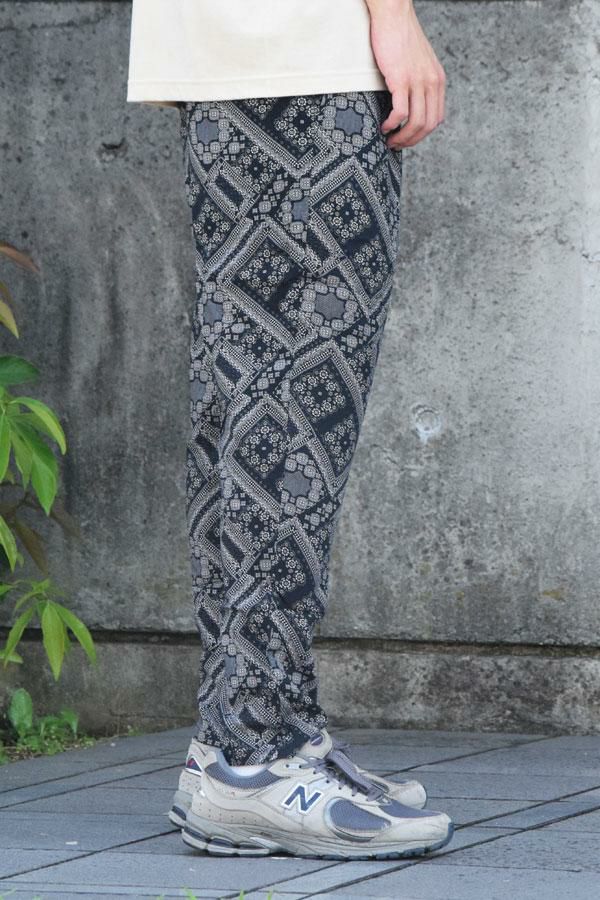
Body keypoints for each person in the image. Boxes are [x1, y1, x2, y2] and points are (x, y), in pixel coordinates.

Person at [127, 0, 452, 860]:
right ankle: (258, 755)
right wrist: (394, 15)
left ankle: (245, 737)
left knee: (248, 391)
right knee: (295, 409)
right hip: (302, 48)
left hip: (243, 54)